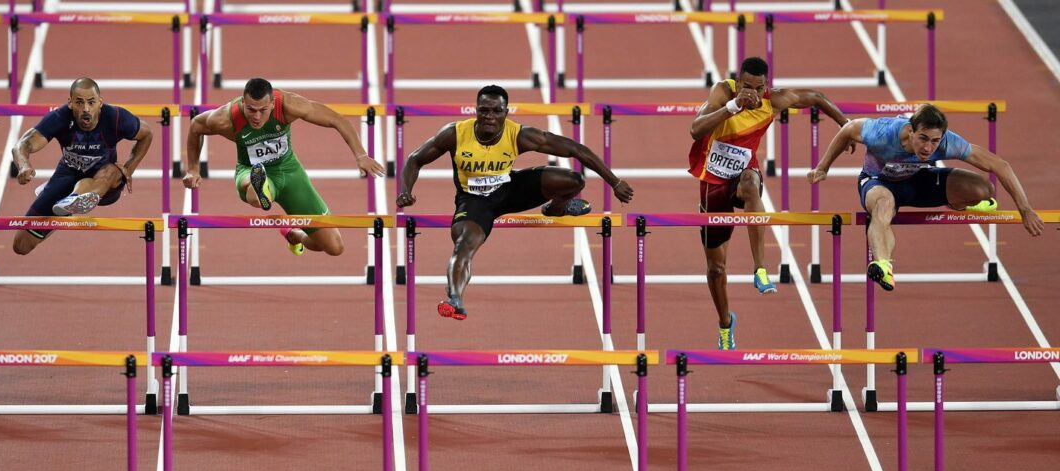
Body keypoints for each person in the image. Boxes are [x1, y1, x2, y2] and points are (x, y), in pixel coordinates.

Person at [396, 85, 634, 320]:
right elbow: (415, 159)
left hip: (510, 190)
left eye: (496, 111)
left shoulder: (518, 134)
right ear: (475, 110)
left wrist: (614, 182)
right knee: (463, 246)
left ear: (506, 112)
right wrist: (406, 190)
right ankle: (455, 298)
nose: (489, 116)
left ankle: (556, 208)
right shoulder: (455, 134)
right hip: (474, 202)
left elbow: (575, 149)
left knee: (572, 180)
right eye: (484, 110)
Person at [689, 56, 850, 350]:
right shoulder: (723, 93)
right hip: (713, 183)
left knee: (751, 185)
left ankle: (760, 268)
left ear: (767, 86)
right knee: (716, 269)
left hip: (743, 175)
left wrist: (845, 125)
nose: (752, 92)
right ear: (737, 83)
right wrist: (732, 107)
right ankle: (725, 322)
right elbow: (696, 130)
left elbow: (816, 97)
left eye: (758, 87)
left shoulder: (773, 101)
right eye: (746, 86)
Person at [808, 103, 1045, 291]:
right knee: (883, 206)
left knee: (983, 189)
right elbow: (848, 129)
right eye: (923, 138)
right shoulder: (883, 132)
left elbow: (1000, 164)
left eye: (935, 141)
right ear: (911, 130)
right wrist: (823, 167)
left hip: (918, 181)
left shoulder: (947, 142)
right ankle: (883, 265)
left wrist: (1025, 209)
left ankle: (961, 204)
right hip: (879, 182)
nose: (928, 148)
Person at [182, 77, 385, 256]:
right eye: (251, 109)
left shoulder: (288, 105)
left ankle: (293, 234)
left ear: (272, 104)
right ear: (243, 102)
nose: (256, 117)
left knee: (334, 247)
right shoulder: (226, 117)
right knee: (258, 196)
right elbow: (196, 127)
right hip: (248, 169)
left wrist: (361, 154)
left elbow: (336, 119)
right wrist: (193, 168)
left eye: (263, 110)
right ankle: (259, 185)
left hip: (289, 171)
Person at [11, 78, 153, 255]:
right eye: (79, 102)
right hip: (67, 176)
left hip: (105, 184)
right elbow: (22, 145)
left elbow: (146, 134)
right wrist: (24, 166)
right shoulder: (60, 118)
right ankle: (67, 206)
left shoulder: (115, 117)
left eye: (91, 102)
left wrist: (129, 168)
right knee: (21, 246)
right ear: (70, 103)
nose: (86, 108)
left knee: (112, 170)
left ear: (100, 102)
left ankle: (74, 200)